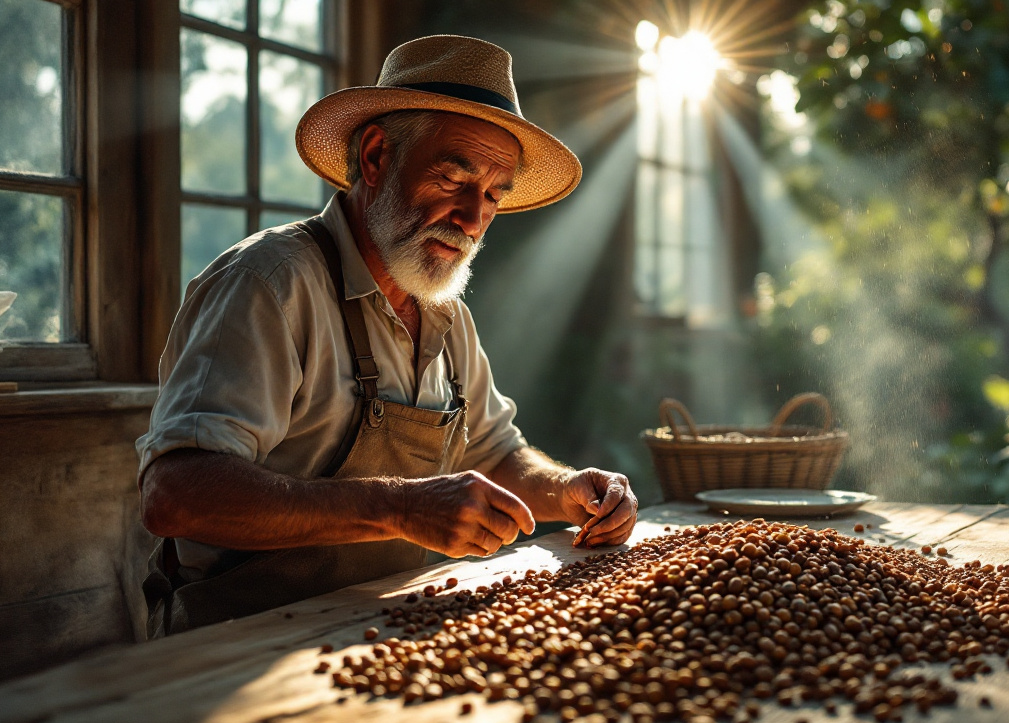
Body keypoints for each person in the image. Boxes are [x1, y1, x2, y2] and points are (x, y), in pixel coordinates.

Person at [137, 35, 638, 637]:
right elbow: (177, 494)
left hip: (377, 632)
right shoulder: (270, 284)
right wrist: (400, 507)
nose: (474, 219)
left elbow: (497, 455)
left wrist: (568, 491)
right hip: (234, 643)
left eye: (492, 196)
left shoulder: (445, 313)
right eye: (454, 179)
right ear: (376, 157)